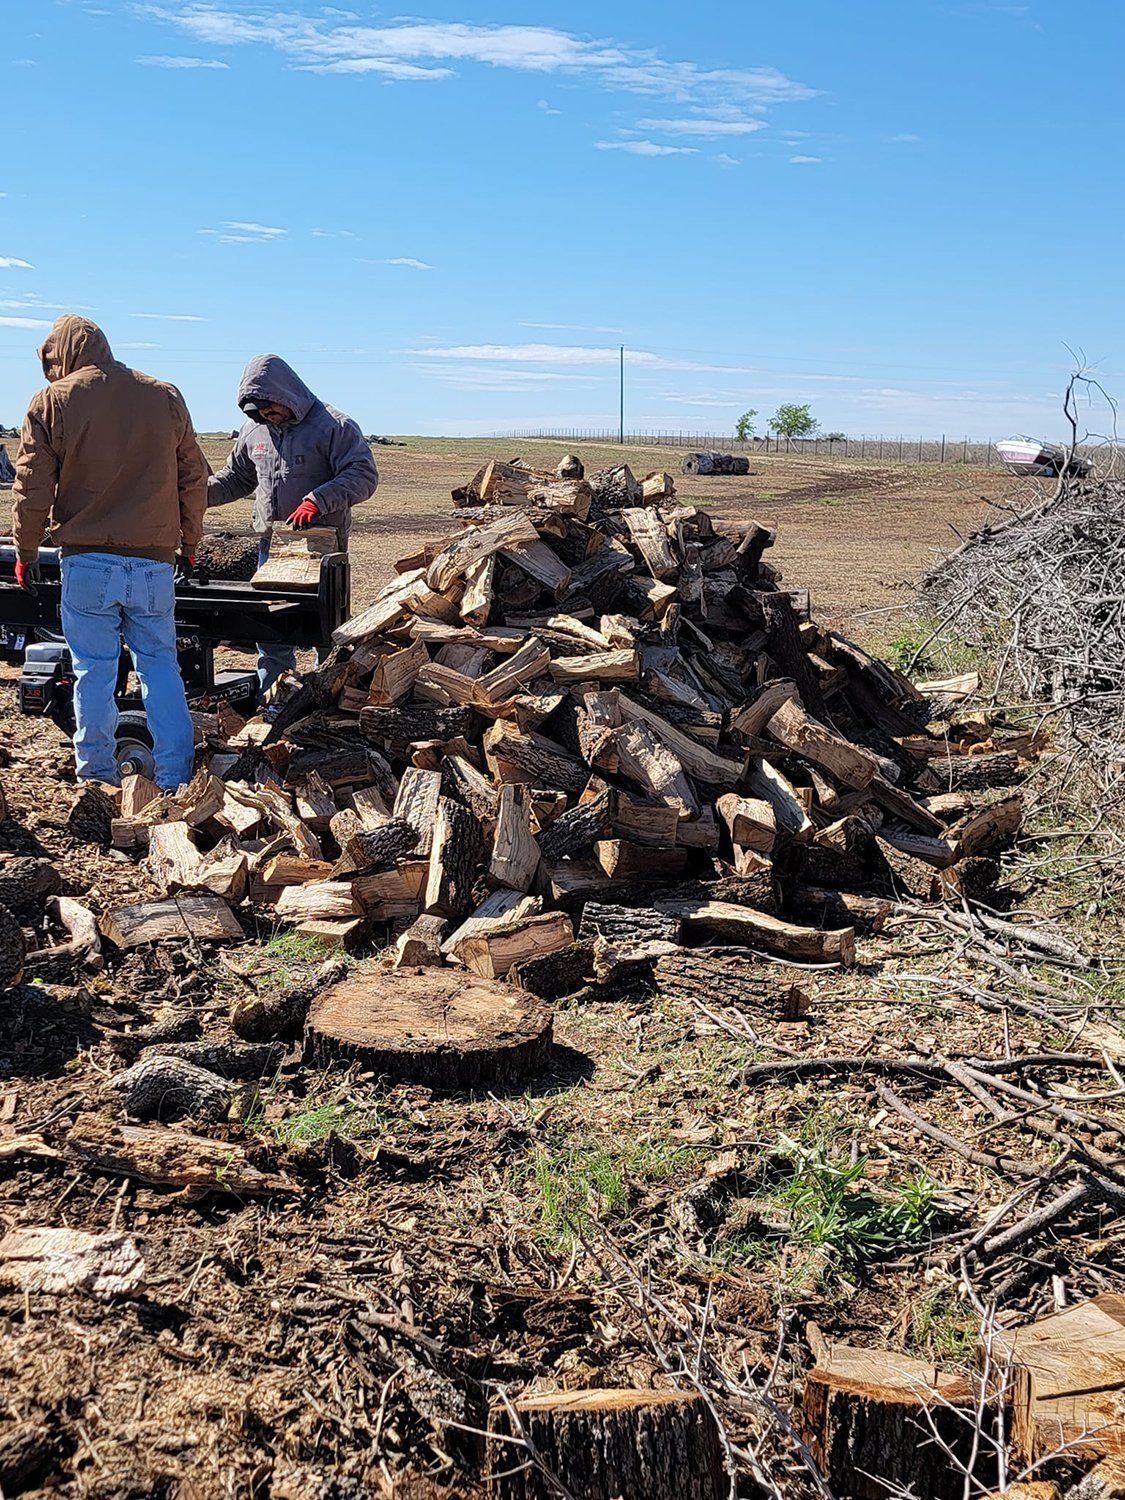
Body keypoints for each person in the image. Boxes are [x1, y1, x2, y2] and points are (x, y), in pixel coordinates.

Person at [11, 315, 206, 790]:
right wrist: (190, 543)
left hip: (86, 563)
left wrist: (26, 549)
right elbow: (193, 476)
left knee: (92, 673)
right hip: (154, 562)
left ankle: (96, 777)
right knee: (160, 667)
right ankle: (178, 779)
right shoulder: (164, 395)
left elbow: (32, 486)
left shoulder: (52, 401)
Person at [207, 355, 378, 700]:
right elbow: (236, 478)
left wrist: (318, 500)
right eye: (259, 413)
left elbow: (363, 475)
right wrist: (196, 496)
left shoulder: (334, 426)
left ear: (286, 396)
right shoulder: (254, 431)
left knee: (326, 634)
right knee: (270, 630)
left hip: (322, 551)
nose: (267, 418)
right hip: (271, 551)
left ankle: (325, 703)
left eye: (271, 410)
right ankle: (273, 699)